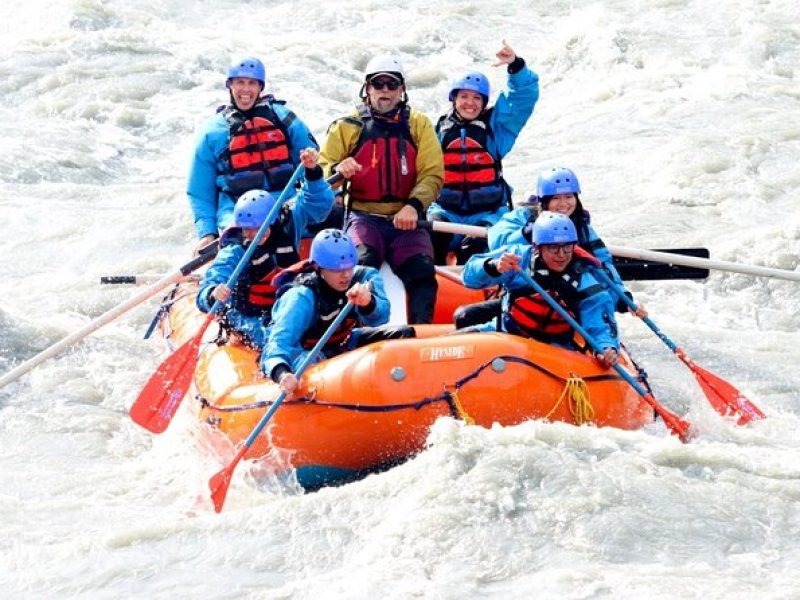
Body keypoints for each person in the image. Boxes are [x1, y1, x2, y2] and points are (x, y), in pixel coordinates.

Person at [319, 54, 444, 324]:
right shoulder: (347, 126)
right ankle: (356, 332)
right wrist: (338, 171)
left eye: (391, 84)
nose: (385, 91)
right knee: (360, 268)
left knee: (422, 273)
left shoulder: (419, 125)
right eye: (378, 84)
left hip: (407, 221)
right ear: (367, 90)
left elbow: (432, 174)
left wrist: (413, 206)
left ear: (402, 90)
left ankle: (420, 336)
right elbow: (321, 170)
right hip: (364, 218)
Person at [455, 166, 644, 328]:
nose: (564, 204)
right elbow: (497, 243)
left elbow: (603, 266)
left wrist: (623, 299)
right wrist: (525, 233)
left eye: (569, 197)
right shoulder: (524, 217)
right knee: (466, 316)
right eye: (556, 198)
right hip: (525, 298)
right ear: (544, 201)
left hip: (569, 301)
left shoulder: (584, 230)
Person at [195, 149, 335, 349]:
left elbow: (318, 205)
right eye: (247, 230)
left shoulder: (288, 221)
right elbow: (211, 282)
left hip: (283, 303)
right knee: (273, 339)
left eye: (258, 228)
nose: (252, 235)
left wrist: (312, 172)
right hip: (246, 314)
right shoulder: (235, 249)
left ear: (273, 220)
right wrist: (212, 293)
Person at [187, 56, 320, 253]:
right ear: (230, 85)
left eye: (252, 83)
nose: (246, 90)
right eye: (240, 82)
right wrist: (207, 233)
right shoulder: (212, 132)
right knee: (245, 240)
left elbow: (312, 165)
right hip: (236, 210)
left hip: (282, 202)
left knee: (320, 218)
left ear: (260, 88)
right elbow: (200, 190)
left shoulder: (284, 119)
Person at [261, 229, 415, 393]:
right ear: (319, 268)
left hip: (345, 342)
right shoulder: (301, 297)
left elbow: (381, 318)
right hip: (308, 354)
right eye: (336, 270)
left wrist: (368, 303)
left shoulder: (365, 277)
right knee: (311, 362)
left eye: (349, 267)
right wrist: (281, 373)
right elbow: (278, 344)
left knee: (404, 333)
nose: (346, 275)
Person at [427, 40, 539, 265]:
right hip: (445, 211)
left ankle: (477, 278)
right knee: (433, 235)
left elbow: (521, 100)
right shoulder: (436, 130)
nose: (470, 103)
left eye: (477, 98)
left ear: (484, 102)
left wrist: (515, 66)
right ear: (454, 99)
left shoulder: (497, 129)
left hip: (487, 213)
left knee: (475, 244)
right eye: (464, 97)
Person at [461, 211, 621, 368]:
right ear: (538, 248)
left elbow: (599, 325)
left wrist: (606, 348)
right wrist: (493, 266)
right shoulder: (518, 259)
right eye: (553, 248)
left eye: (567, 247)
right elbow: (469, 278)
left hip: (556, 348)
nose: (561, 255)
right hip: (508, 334)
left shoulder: (585, 281)